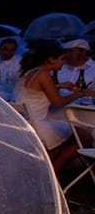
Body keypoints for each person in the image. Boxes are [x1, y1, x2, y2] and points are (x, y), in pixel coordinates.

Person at [13, 40, 95, 172]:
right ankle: (54, 167)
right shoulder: (44, 74)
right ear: (51, 59)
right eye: (62, 59)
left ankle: (49, 164)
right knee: (85, 137)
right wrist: (80, 94)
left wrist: (59, 85)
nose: (64, 62)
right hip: (39, 125)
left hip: (25, 123)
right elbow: (58, 102)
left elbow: (35, 90)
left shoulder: (29, 72)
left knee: (70, 134)